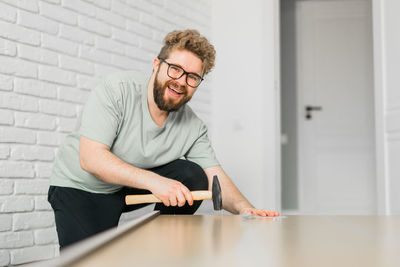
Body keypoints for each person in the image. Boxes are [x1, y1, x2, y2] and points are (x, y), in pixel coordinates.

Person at [48, 29, 279, 249]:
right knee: (89, 261)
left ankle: (164, 247)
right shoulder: (117, 90)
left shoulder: (193, 126)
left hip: (128, 184)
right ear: (157, 64)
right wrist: (154, 182)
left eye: (192, 77)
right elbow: (91, 159)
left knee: (193, 175)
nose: (181, 81)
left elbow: (214, 177)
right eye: (175, 69)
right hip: (82, 188)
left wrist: (246, 210)